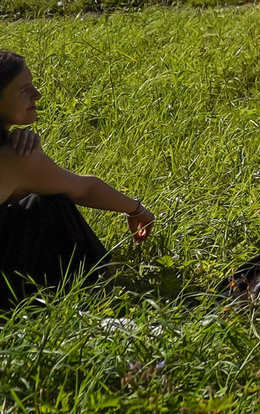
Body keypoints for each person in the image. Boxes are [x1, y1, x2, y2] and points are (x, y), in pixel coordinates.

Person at [0, 51, 152, 302]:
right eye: (24, 89)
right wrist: (137, 210)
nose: (37, 94)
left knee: (33, 200)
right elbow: (85, 189)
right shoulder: (14, 159)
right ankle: (101, 284)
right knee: (51, 202)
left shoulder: (13, 155)